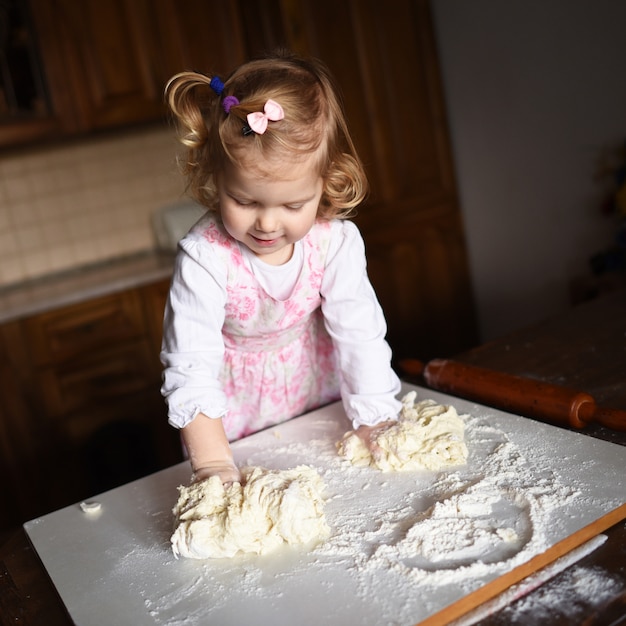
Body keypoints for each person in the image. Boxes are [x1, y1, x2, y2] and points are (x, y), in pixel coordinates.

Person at [160, 51, 402, 486]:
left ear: (325, 182)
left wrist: (376, 418)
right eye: (245, 201)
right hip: (234, 429)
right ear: (216, 178)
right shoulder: (204, 257)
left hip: (323, 402)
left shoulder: (334, 242)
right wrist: (213, 465)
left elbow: (359, 333)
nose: (268, 224)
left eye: (293, 205)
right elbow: (190, 365)